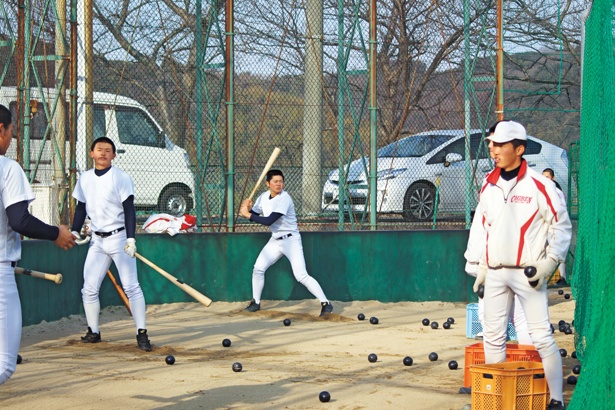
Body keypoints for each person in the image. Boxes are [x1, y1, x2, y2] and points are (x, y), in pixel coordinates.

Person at [464, 121, 571, 410]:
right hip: (496, 272)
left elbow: (561, 226)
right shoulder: (489, 184)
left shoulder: (541, 185)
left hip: (529, 274)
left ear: (519, 149)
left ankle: (556, 399)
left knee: (541, 336)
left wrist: (550, 263)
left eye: (499, 144)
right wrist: (481, 268)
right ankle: (497, 397)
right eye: (491, 143)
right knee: (493, 336)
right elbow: (485, 227)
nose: (492, 148)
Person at [0, 104, 76, 385]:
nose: (11, 139)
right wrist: (56, 232)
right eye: (11, 131)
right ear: (1, 129)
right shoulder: (7, 167)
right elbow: (20, 221)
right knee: (4, 364)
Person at [71, 136, 152, 351]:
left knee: (131, 287)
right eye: (99, 149)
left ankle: (142, 333)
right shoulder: (85, 179)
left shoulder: (121, 177)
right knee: (88, 288)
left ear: (114, 155)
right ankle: (93, 331)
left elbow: (129, 209)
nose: (103, 153)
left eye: (108, 150)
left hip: (119, 238)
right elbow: (80, 208)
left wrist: (131, 238)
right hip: (97, 241)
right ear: (91, 153)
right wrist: (73, 231)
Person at [239, 169, 333, 316]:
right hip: (275, 240)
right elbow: (256, 215)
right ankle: (255, 302)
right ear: (267, 183)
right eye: (275, 181)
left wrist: (248, 214)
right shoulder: (263, 197)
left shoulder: (285, 198)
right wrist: (249, 209)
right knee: (258, 269)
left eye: (281, 181)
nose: (278, 184)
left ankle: (326, 303)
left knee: (301, 275)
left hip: (291, 240)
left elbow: (269, 220)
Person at [542, 168, 567, 286]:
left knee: (557, 248)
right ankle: (550, 278)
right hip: (545, 224)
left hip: (555, 224)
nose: (544, 179)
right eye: (543, 176)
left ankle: (562, 277)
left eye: (547, 177)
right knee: (545, 250)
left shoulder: (557, 191)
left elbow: (561, 210)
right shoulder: (542, 191)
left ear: (552, 178)